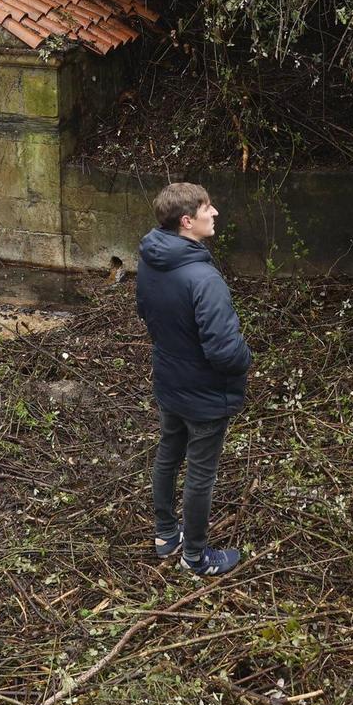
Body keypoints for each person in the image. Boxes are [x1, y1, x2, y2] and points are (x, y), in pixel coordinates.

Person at [135, 181, 252, 577]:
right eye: (207, 208)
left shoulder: (150, 260)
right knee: (201, 473)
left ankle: (166, 536)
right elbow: (224, 350)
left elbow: (146, 314)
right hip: (203, 391)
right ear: (187, 221)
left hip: (169, 379)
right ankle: (196, 557)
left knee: (169, 454)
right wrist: (245, 360)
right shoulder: (203, 278)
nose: (215, 212)